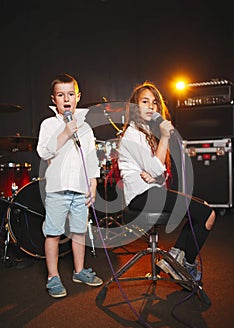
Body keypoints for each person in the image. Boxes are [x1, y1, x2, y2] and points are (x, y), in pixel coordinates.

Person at [117, 81, 216, 282]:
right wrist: (163, 138)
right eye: (145, 101)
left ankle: (176, 256)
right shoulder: (132, 134)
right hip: (141, 197)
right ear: (136, 106)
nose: (151, 106)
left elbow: (159, 174)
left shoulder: (145, 133)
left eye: (154, 103)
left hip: (152, 192)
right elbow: (155, 168)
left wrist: (154, 173)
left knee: (205, 211)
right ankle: (185, 264)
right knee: (207, 214)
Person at [37, 73, 103, 298]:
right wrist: (65, 133)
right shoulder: (48, 124)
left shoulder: (85, 128)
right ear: (54, 99)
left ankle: (79, 270)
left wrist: (93, 183)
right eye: (60, 94)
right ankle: (53, 276)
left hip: (80, 190)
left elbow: (91, 158)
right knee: (53, 234)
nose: (66, 98)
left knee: (78, 232)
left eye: (70, 94)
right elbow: (44, 152)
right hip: (57, 190)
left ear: (78, 97)